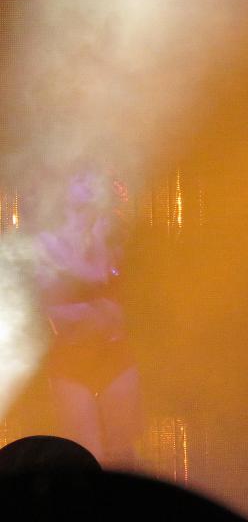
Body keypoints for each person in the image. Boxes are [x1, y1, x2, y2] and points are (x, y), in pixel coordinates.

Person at [34, 168, 142, 470]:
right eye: (81, 179)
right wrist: (93, 312)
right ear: (65, 191)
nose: (91, 185)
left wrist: (94, 312)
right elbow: (54, 310)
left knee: (122, 455)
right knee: (84, 455)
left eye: (92, 179)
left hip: (114, 354)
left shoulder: (110, 233)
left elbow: (119, 303)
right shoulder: (49, 241)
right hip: (71, 359)